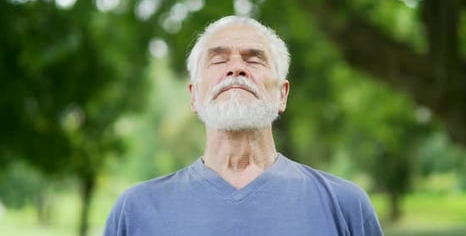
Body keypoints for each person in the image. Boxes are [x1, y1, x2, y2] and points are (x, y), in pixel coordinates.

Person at [104, 16, 384, 236]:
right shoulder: (136, 211)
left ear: (282, 95)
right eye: (219, 59)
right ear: (194, 96)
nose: (236, 68)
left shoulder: (346, 206)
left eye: (254, 59)